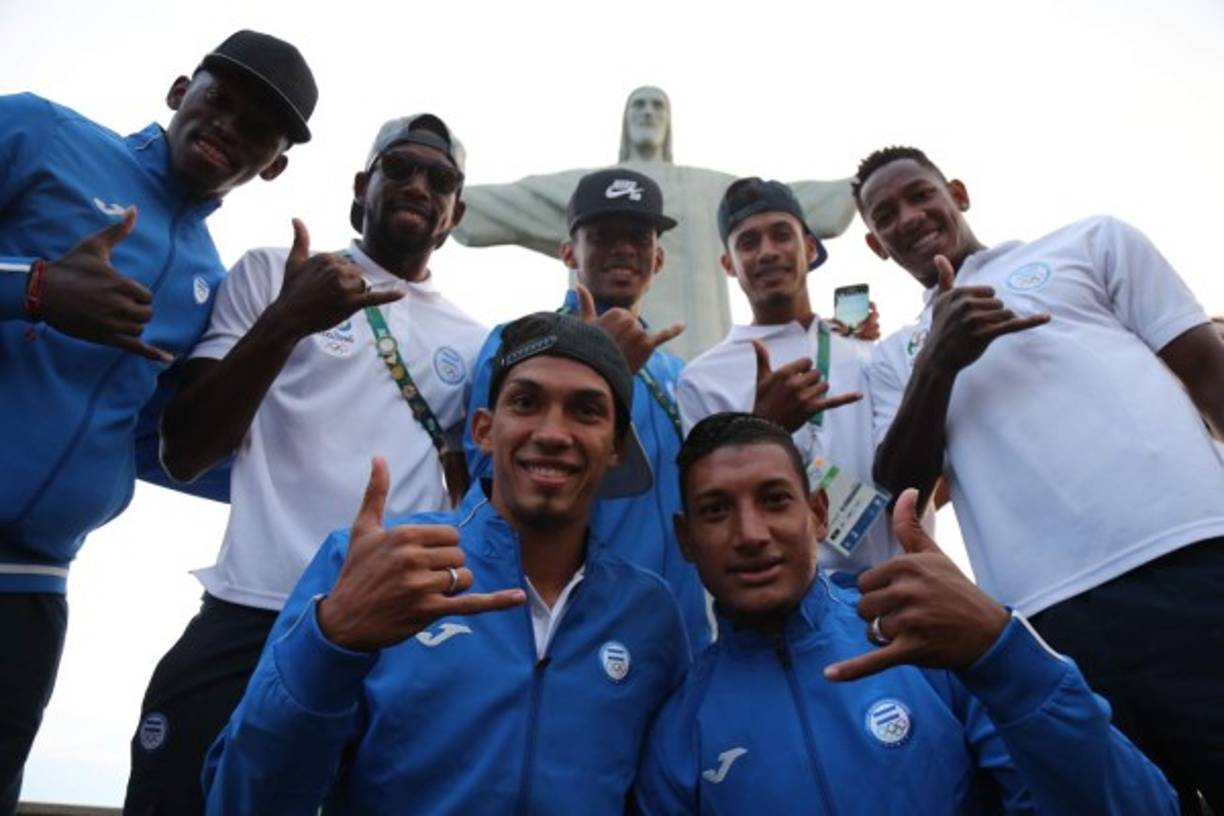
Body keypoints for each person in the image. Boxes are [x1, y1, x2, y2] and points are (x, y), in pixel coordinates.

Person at [122, 114, 486, 814]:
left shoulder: (472, 343)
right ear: (361, 185)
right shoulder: (272, 273)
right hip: (254, 608)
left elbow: (475, 491)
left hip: (392, 633)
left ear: (455, 215)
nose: (418, 185)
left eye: (439, 180)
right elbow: (186, 450)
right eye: (399, 168)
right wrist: (288, 319)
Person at [0, 30, 315, 811]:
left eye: (257, 129)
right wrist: (34, 287)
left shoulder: (211, 280)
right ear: (180, 91)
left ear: (273, 165)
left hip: (34, 589)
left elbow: (162, 446)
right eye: (219, 100)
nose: (227, 128)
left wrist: (308, 485)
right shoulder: (38, 132)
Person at [857, 145, 1224, 813]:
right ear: (876, 246)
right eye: (885, 215)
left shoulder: (1092, 242)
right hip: (1047, 620)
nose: (907, 217)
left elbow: (1206, 370)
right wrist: (939, 360)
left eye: (919, 195)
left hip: (1194, 559)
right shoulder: (892, 359)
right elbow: (902, 488)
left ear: (957, 193)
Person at [203, 312, 691, 813]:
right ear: (484, 429)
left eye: (585, 411)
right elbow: (243, 800)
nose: (551, 432)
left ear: (615, 448)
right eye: (526, 402)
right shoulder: (378, 566)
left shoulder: (648, 612)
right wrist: (330, 641)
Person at [635, 412, 1178, 814]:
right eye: (716, 510)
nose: (751, 534)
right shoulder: (678, 730)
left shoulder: (937, 643)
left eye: (775, 499)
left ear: (818, 513)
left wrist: (1001, 650)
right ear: (686, 539)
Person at [463, 167, 710, 649]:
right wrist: (600, 364)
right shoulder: (517, 342)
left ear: (659, 258)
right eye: (601, 235)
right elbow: (488, 476)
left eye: (638, 237)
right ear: (568, 252)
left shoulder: (677, 373)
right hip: (570, 629)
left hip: (677, 634)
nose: (622, 249)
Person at [451, 86, 857, 359]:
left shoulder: (707, 188)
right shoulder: (589, 190)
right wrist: (437, 189)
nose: (648, 112)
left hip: (699, 356)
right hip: (588, 352)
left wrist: (868, 183)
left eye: (657, 105)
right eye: (639, 105)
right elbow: (506, 202)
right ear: (571, 250)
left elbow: (796, 203)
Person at [676, 177, 898, 572]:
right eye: (748, 242)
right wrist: (764, 425)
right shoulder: (703, 378)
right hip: (782, 590)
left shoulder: (866, 353)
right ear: (728, 265)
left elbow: (927, 471)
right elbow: (710, 501)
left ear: (809, 248)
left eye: (781, 235)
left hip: (891, 585)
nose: (767, 252)